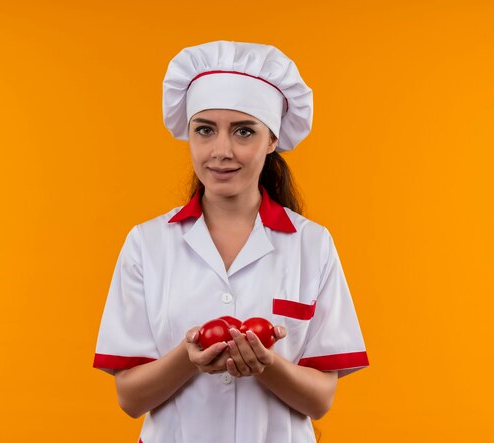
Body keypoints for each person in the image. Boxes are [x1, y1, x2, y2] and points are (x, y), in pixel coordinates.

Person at [93, 40, 369, 443]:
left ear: (272, 140)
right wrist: (187, 361)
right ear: (188, 134)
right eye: (204, 130)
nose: (221, 151)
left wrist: (267, 365)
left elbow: (321, 400)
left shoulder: (312, 245)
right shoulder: (146, 243)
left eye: (244, 131)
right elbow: (130, 398)